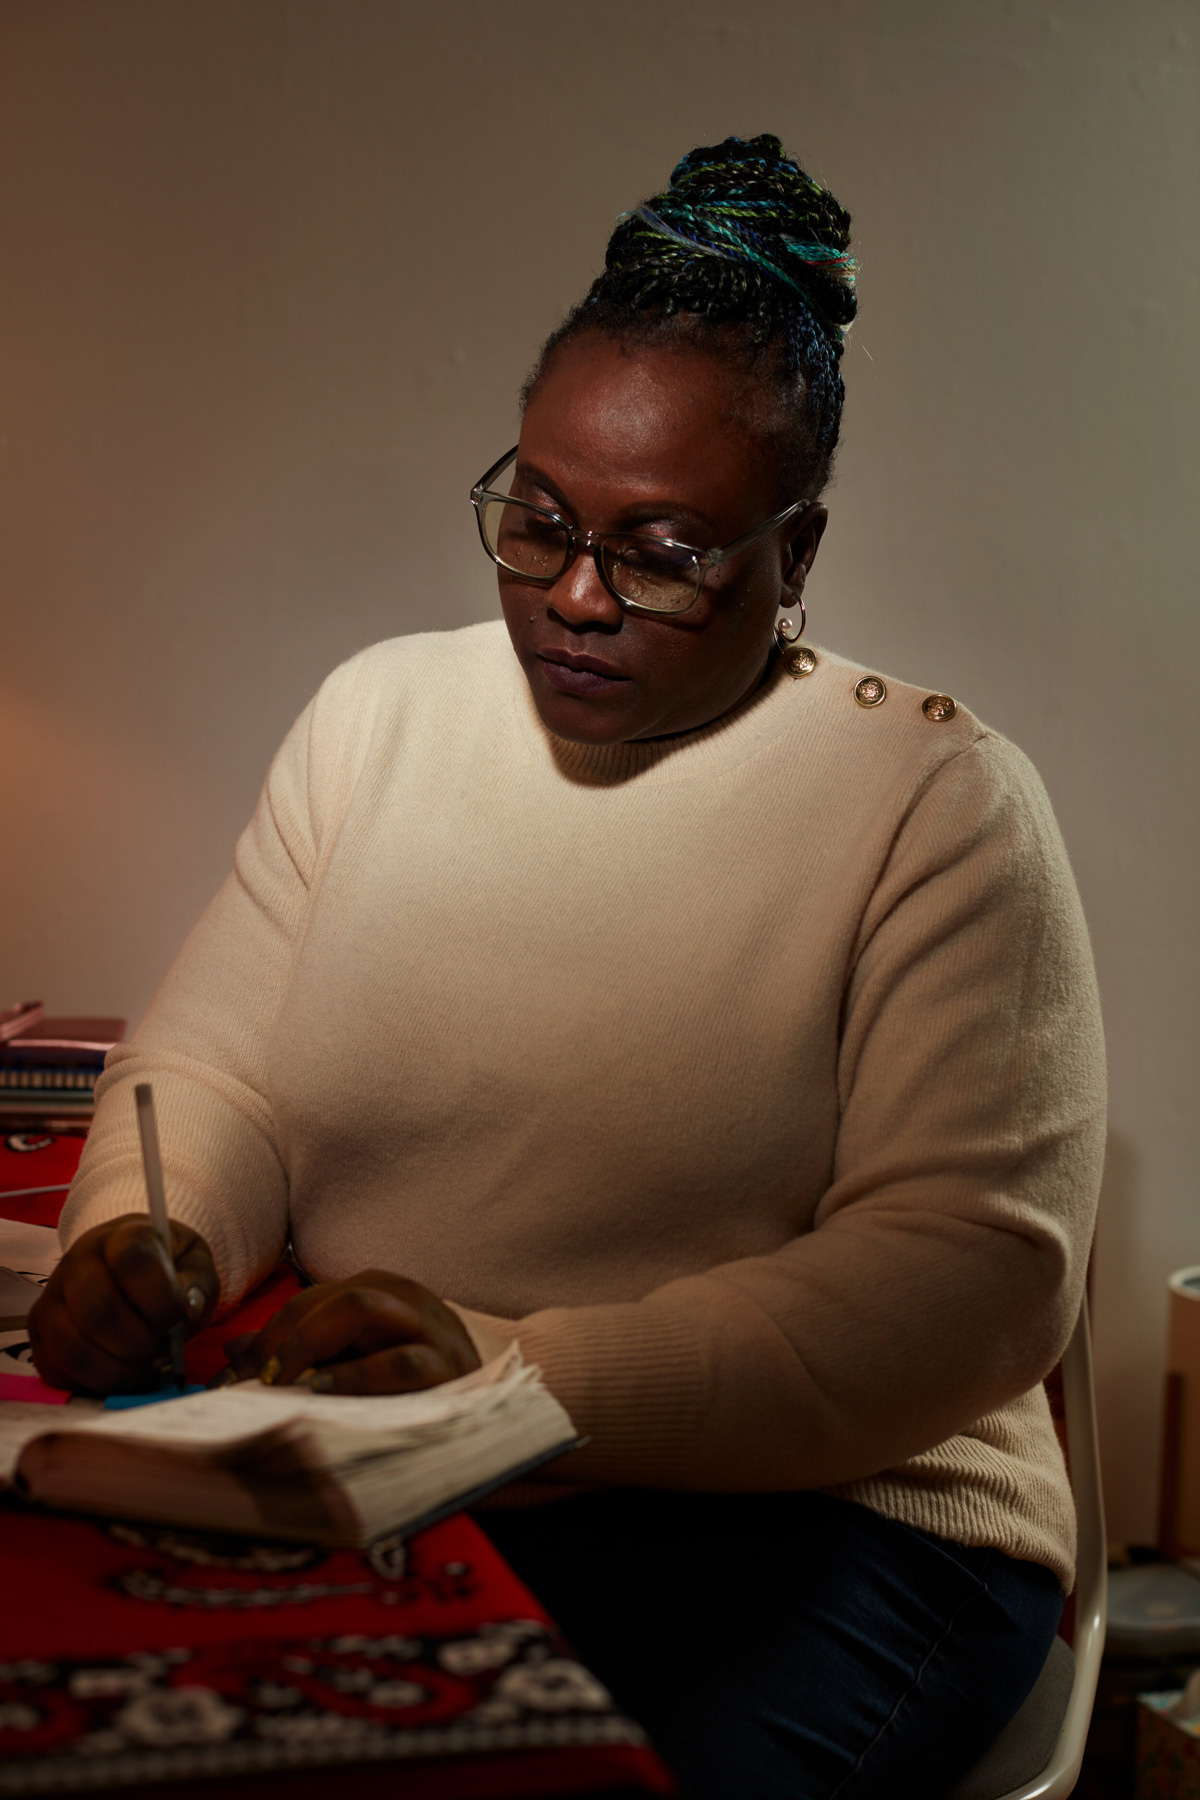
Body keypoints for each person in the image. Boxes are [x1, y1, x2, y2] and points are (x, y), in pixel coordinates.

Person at [30, 135, 1105, 1798]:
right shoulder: (378, 717)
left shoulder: (941, 810)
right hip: (404, 1450)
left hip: (839, 1517)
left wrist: (522, 1379)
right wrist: (144, 1230)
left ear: (796, 555)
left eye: (665, 553)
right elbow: (221, 1073)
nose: (576, 598)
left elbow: (962, 1282)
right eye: (538, 522)